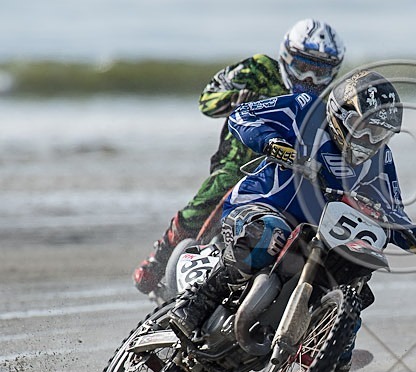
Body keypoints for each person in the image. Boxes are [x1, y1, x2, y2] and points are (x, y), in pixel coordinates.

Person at [169, 69, 416, 372]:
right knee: (268, 236)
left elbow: (392, 208)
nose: (370, 141)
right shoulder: (304, 109)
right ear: (341, 114)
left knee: (355, 283)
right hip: (261, 206)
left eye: (380, 133)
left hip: (322, 231)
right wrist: (272, 143)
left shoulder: (381, 157)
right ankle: (197, 301)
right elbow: (243, 116)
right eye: (364, 129)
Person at [133, 19, 346, 295]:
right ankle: (160, 258)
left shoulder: (330, 100)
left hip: (291, 172)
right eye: (302, 67)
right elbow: (207, 99)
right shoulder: (258, 69)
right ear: (285, 57)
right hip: (240, 161)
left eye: (319, 72)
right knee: (218, 186)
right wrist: (236, 100)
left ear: (333, 72)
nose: (308, 79)